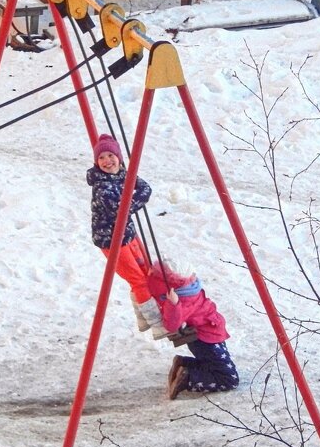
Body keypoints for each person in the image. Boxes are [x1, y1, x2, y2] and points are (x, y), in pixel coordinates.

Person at [87, 133, 167, 338]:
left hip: (127, 233)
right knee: (138, 280)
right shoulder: (102, 187)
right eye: (101, 158)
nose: (107, 161)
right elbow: (121, 210)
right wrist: (135, 200)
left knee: (146, 271)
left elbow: (145, 188)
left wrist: (134, 199)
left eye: (110, 156)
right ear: (96, 162)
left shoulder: (122, 174)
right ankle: (158, 324)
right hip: (111, 241)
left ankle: (142, 317)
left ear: (119, 157)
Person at [147, 260, 240, 400]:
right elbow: (172, 324)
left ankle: (184, 364)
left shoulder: (188, 290)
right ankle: (188, 378)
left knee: (215, 364)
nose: (192, 280)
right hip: (205, 339)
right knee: (228, 379)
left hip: (212, 333)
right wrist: (173, 303)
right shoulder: (183, 297)